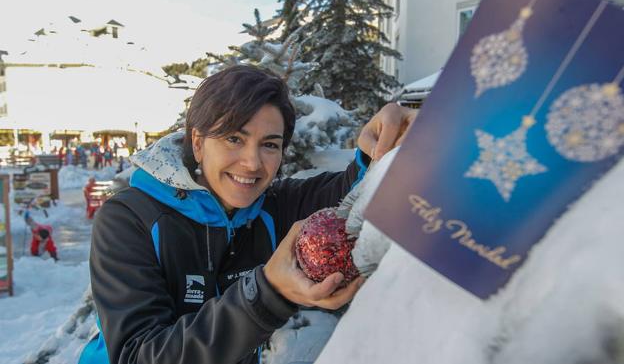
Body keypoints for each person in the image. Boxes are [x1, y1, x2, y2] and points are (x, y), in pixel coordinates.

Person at [82, 65, 415, 364]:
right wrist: (268, 294)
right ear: (197, 142)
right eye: (233, 138)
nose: (252, 163)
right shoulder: (130, 219)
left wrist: (386, 146)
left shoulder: (271, 208)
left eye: (269, 144)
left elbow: (352, 190)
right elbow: (138, 355)